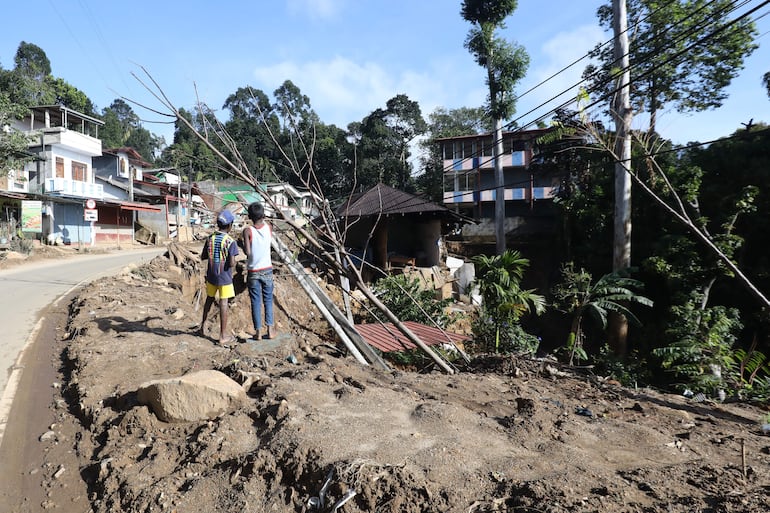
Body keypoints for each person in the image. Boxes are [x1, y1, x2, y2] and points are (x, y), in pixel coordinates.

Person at [198, 209, 239, 345]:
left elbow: (203, 256)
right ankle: (222, 336)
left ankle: (202, 327)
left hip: (211, 275)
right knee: (224, 302)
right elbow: (232, 262)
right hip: (224, 277)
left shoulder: (210, 238)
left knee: (209, 299)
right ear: (230, 225)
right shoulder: (230, 242)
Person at [242, 202, 275, 339]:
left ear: (249, 216)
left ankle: (258, 332)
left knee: (256, 301)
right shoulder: (269, 228)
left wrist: (244, 244)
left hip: (254, 271)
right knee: (268, 300)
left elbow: (248, 253)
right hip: (267, 269)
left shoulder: (247, 231)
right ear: (263, 215)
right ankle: (271, 331)